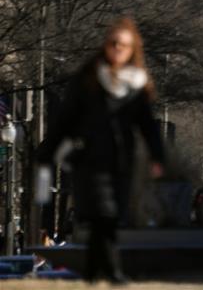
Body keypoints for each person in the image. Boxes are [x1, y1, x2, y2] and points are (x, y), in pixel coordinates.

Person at [37, 17, 164, 284]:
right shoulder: (88, 79)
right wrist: (47, 151)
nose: (118, 48)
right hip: (89, 158)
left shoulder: (137, 85)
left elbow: (147, 125)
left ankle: (93, 274)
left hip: (121, 160)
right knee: (102, 215)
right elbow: (65, 119)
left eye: (124, 45)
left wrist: (157, 155)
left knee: (110, 217)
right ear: (106, 45)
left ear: (132, 50)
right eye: (114, 43)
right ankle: (114, 272)